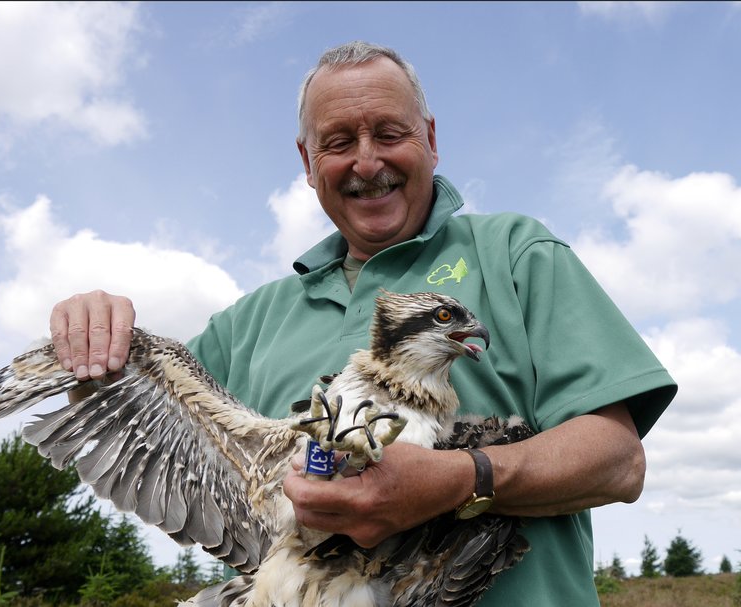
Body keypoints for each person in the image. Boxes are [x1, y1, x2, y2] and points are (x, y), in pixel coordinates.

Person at [49, 41, 677, 606]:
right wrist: (95, 338)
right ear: (307, 159)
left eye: (389, 132)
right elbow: (124, 412)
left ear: (430, 137)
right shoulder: (252, 320)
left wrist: (462, 479)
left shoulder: (515, 255)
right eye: (339, 141)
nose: (366, 161)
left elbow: (619, 462)